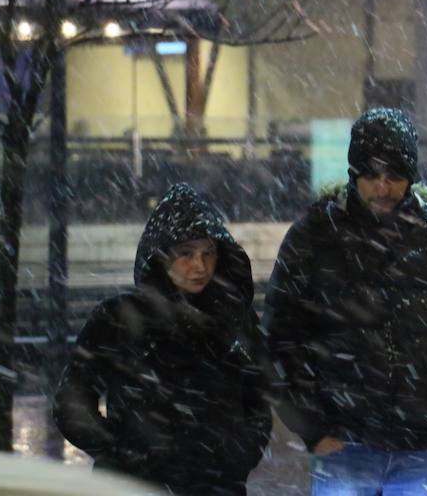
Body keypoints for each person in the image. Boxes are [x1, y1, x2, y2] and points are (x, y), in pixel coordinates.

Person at [263, 108, 427, 495]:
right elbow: (281, 336)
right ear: (354, 174)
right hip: (346, 441)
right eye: (372, 175)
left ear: (411, 177)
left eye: (395, 176)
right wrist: (313, 427)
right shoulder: (315, 236)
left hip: (417, 443)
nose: (383, 188)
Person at [53, 183, 271, 496]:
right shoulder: (118, 318)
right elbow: (72, 402)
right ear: (161, 258)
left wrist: (239, 454)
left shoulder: (234, 318)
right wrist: (119, 454)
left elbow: (259, 397)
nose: (200, 265)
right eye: (186, 254)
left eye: (208, 252)